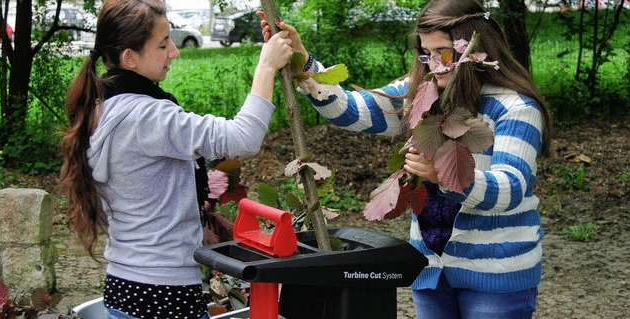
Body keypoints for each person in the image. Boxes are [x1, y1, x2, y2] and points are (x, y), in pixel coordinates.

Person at [258, 0, 552, 317]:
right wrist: (303, 61)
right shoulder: (422, 94)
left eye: (445, 53)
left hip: (496, 275)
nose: (434, 64)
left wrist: (443, 173)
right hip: (429, 271)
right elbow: (351, 110)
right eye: (426, 54)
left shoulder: (515, 109)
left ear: (475, 47)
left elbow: (511, 188)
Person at [58, 0, 292, 318]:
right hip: (164, 293)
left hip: (121, 287)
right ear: (130, 57)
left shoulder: (101, 109)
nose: (175, 52)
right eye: (163, 44)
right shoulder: (150, 116)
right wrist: (266, 66)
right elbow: (242, 137)